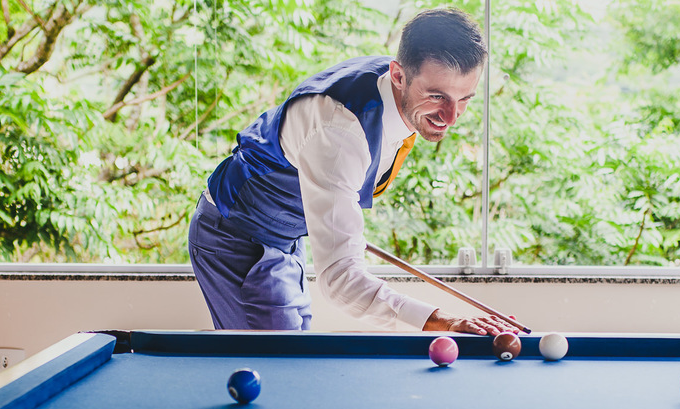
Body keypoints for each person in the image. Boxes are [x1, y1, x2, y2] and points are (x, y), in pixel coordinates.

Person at [188, 7, 517, 335]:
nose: (452, 116)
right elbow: (339, 278)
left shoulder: (403, 86)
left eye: (465, 99)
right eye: (437, 96)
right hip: (235, 236)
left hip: (286, 235)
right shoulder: (340, 131)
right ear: (398, 75)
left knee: (293, 350)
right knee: (281, 359)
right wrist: (441, 320)